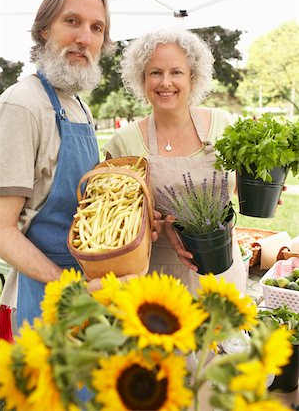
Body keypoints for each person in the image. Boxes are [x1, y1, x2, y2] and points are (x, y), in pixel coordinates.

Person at [0, 0, 161, 331]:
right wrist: (71, 288)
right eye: (71, 21)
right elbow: (1, 230)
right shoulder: (23, 104)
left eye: (96, 28)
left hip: (94, 291)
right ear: (43, 29)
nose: (84, 38)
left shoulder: (78, 106)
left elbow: (92, 208)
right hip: (48, 297)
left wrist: (135, 222)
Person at [103, 28, 247, 295]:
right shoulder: (124, 142)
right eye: (155, 72)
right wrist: (160, 223)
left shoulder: (223, 124)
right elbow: (116, 223)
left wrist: (261, 182)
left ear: (193, 78)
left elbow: (236, 188)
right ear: (142, 79)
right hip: (156, 281)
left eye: (176, 72)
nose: (165, 82)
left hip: (222, 273)